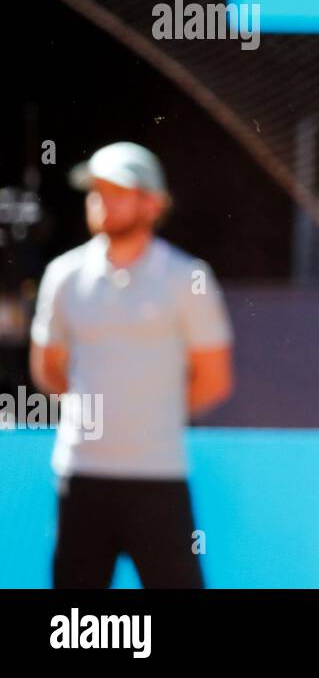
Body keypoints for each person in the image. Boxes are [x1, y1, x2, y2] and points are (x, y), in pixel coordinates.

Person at [29, 142, 234, 588]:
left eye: (115, 190)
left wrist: (148, 420)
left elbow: (213, 379)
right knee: (74, 629)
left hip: (159, 479)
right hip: (80, 476)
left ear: (152, 202)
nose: (101, 201)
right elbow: (48, 370)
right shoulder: (63, 275)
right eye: (95, 191)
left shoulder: (187, 278)